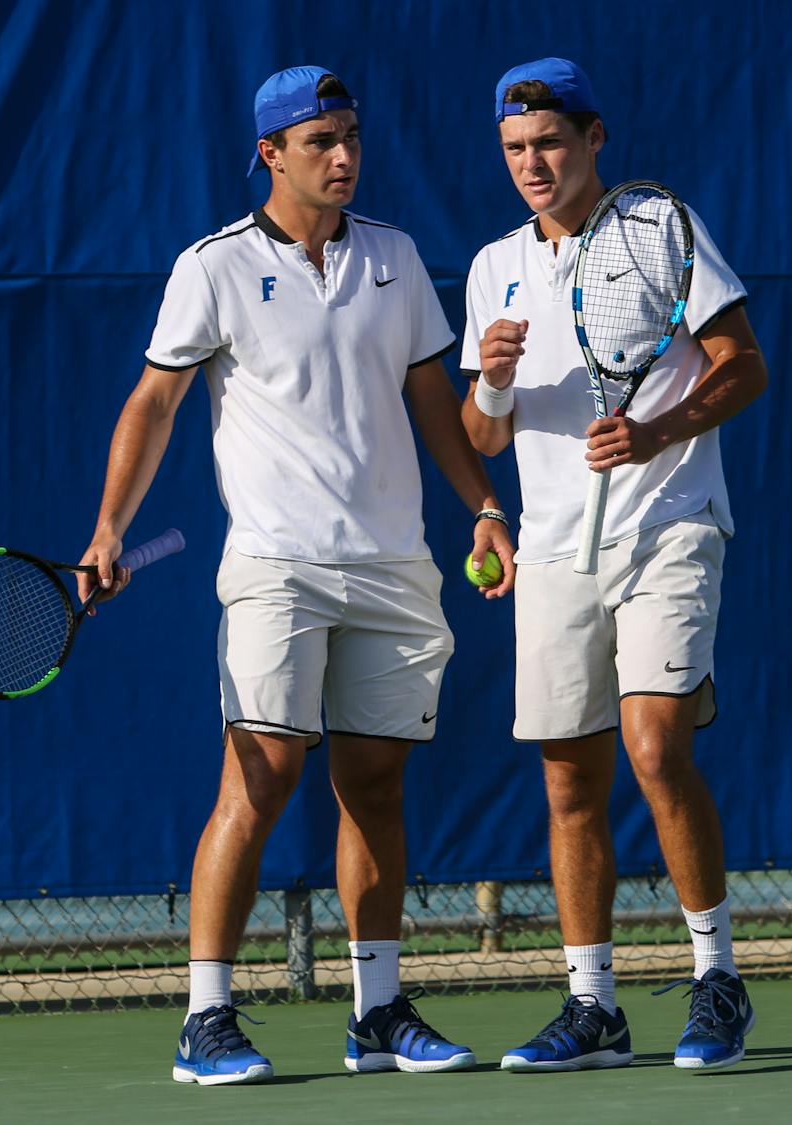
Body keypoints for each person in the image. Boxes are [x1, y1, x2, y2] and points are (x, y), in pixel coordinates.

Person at [78, 65, 515, 1086]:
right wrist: (108, 527)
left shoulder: (398, 259)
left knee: (376, 786)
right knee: (261, 775)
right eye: (321, 140)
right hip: (277, 565)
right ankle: (206, 1018)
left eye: (352, 135)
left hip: (394, 566)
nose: (345, 155)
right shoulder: (215, 268)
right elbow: (154, 405)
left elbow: (433, 400)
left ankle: (377, 1011)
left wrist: (486, 506)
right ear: (271, 154)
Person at [460, 58, 769, 1072]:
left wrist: (657, 431)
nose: (532, 164)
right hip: (553, 550)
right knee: (567, 783)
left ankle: (717, 978)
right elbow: (482, 434)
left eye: (548, 143)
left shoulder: (660, 232)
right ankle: (592, 1005)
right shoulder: (492, 266)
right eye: (514, 149)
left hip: (670, 523)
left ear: (595, 138)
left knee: (653, 746)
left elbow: (744, 364)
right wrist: (495, 383)